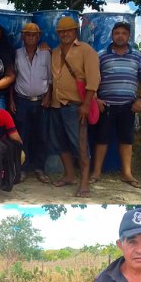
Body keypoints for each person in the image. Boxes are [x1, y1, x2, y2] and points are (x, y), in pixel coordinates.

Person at [89, 21, 141, 188]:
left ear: (128, 37)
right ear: (112, 36)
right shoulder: (101, 55)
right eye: (117, 33)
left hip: (128, 106)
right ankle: (96, 172)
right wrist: (95, 98)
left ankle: (126, 173)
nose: (120, 36)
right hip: (106, 106)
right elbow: (92, 78)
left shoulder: (137, 56)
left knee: (126, 140)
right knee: (101, 139)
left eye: (124, 33)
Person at [50, 16, 100, 197]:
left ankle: (85, 182)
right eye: (61, 31)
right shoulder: (55, 52)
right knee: (61, 142)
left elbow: (93, 80)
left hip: (76, 106)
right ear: (57, 34)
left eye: (68, 30)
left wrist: (86, 105)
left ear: (75, 31)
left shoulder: (87, 50)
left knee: (80, 144)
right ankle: (69, 175)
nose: (65, 34)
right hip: (56, 105)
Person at [8, 22, 52, 184]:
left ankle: (40, 168)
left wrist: (48, 97)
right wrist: (11, 100)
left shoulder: (46, 54)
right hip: (22, 101)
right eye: (27, 34)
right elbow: (12, 79)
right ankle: (23, 169)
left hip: (41, 101)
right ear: (23, 36)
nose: (31, 37)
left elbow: (51, 78)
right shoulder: (17, 54)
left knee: (42, 136)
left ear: (39, 36)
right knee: (22, 136)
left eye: (34, 35)